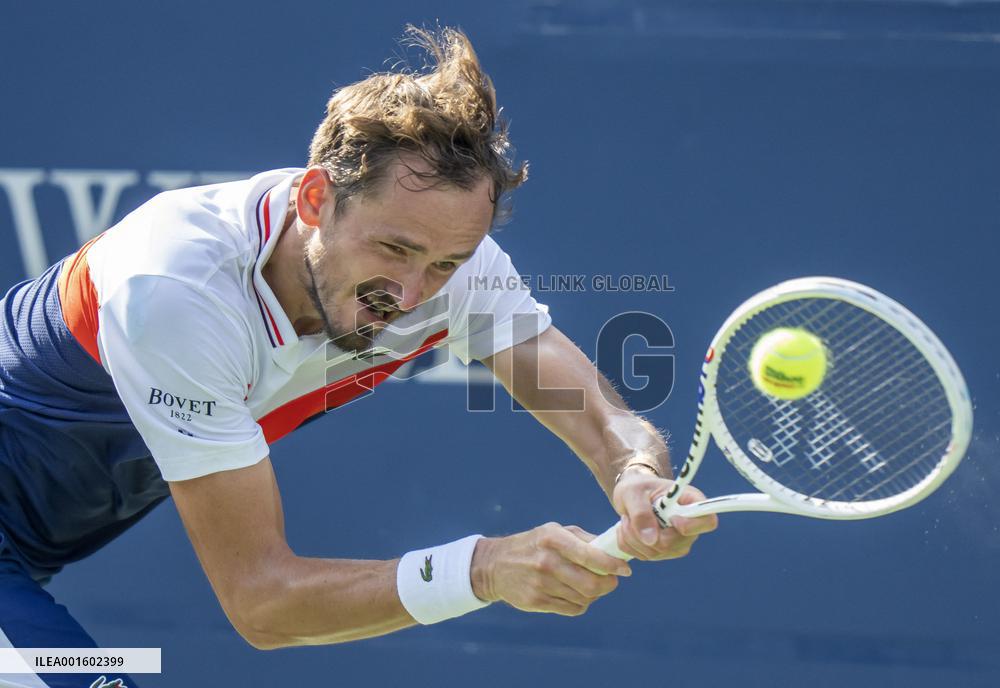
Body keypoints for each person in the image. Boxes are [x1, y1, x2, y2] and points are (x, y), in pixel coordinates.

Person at [0, 26, 717, 688]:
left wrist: (640, 474)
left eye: (443, 264)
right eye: (393, 249)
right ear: (315, 199)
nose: (409, 293)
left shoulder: (457, 273)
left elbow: (597, 419)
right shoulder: (176, 290)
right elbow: (262, 601)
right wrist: (484, 569)